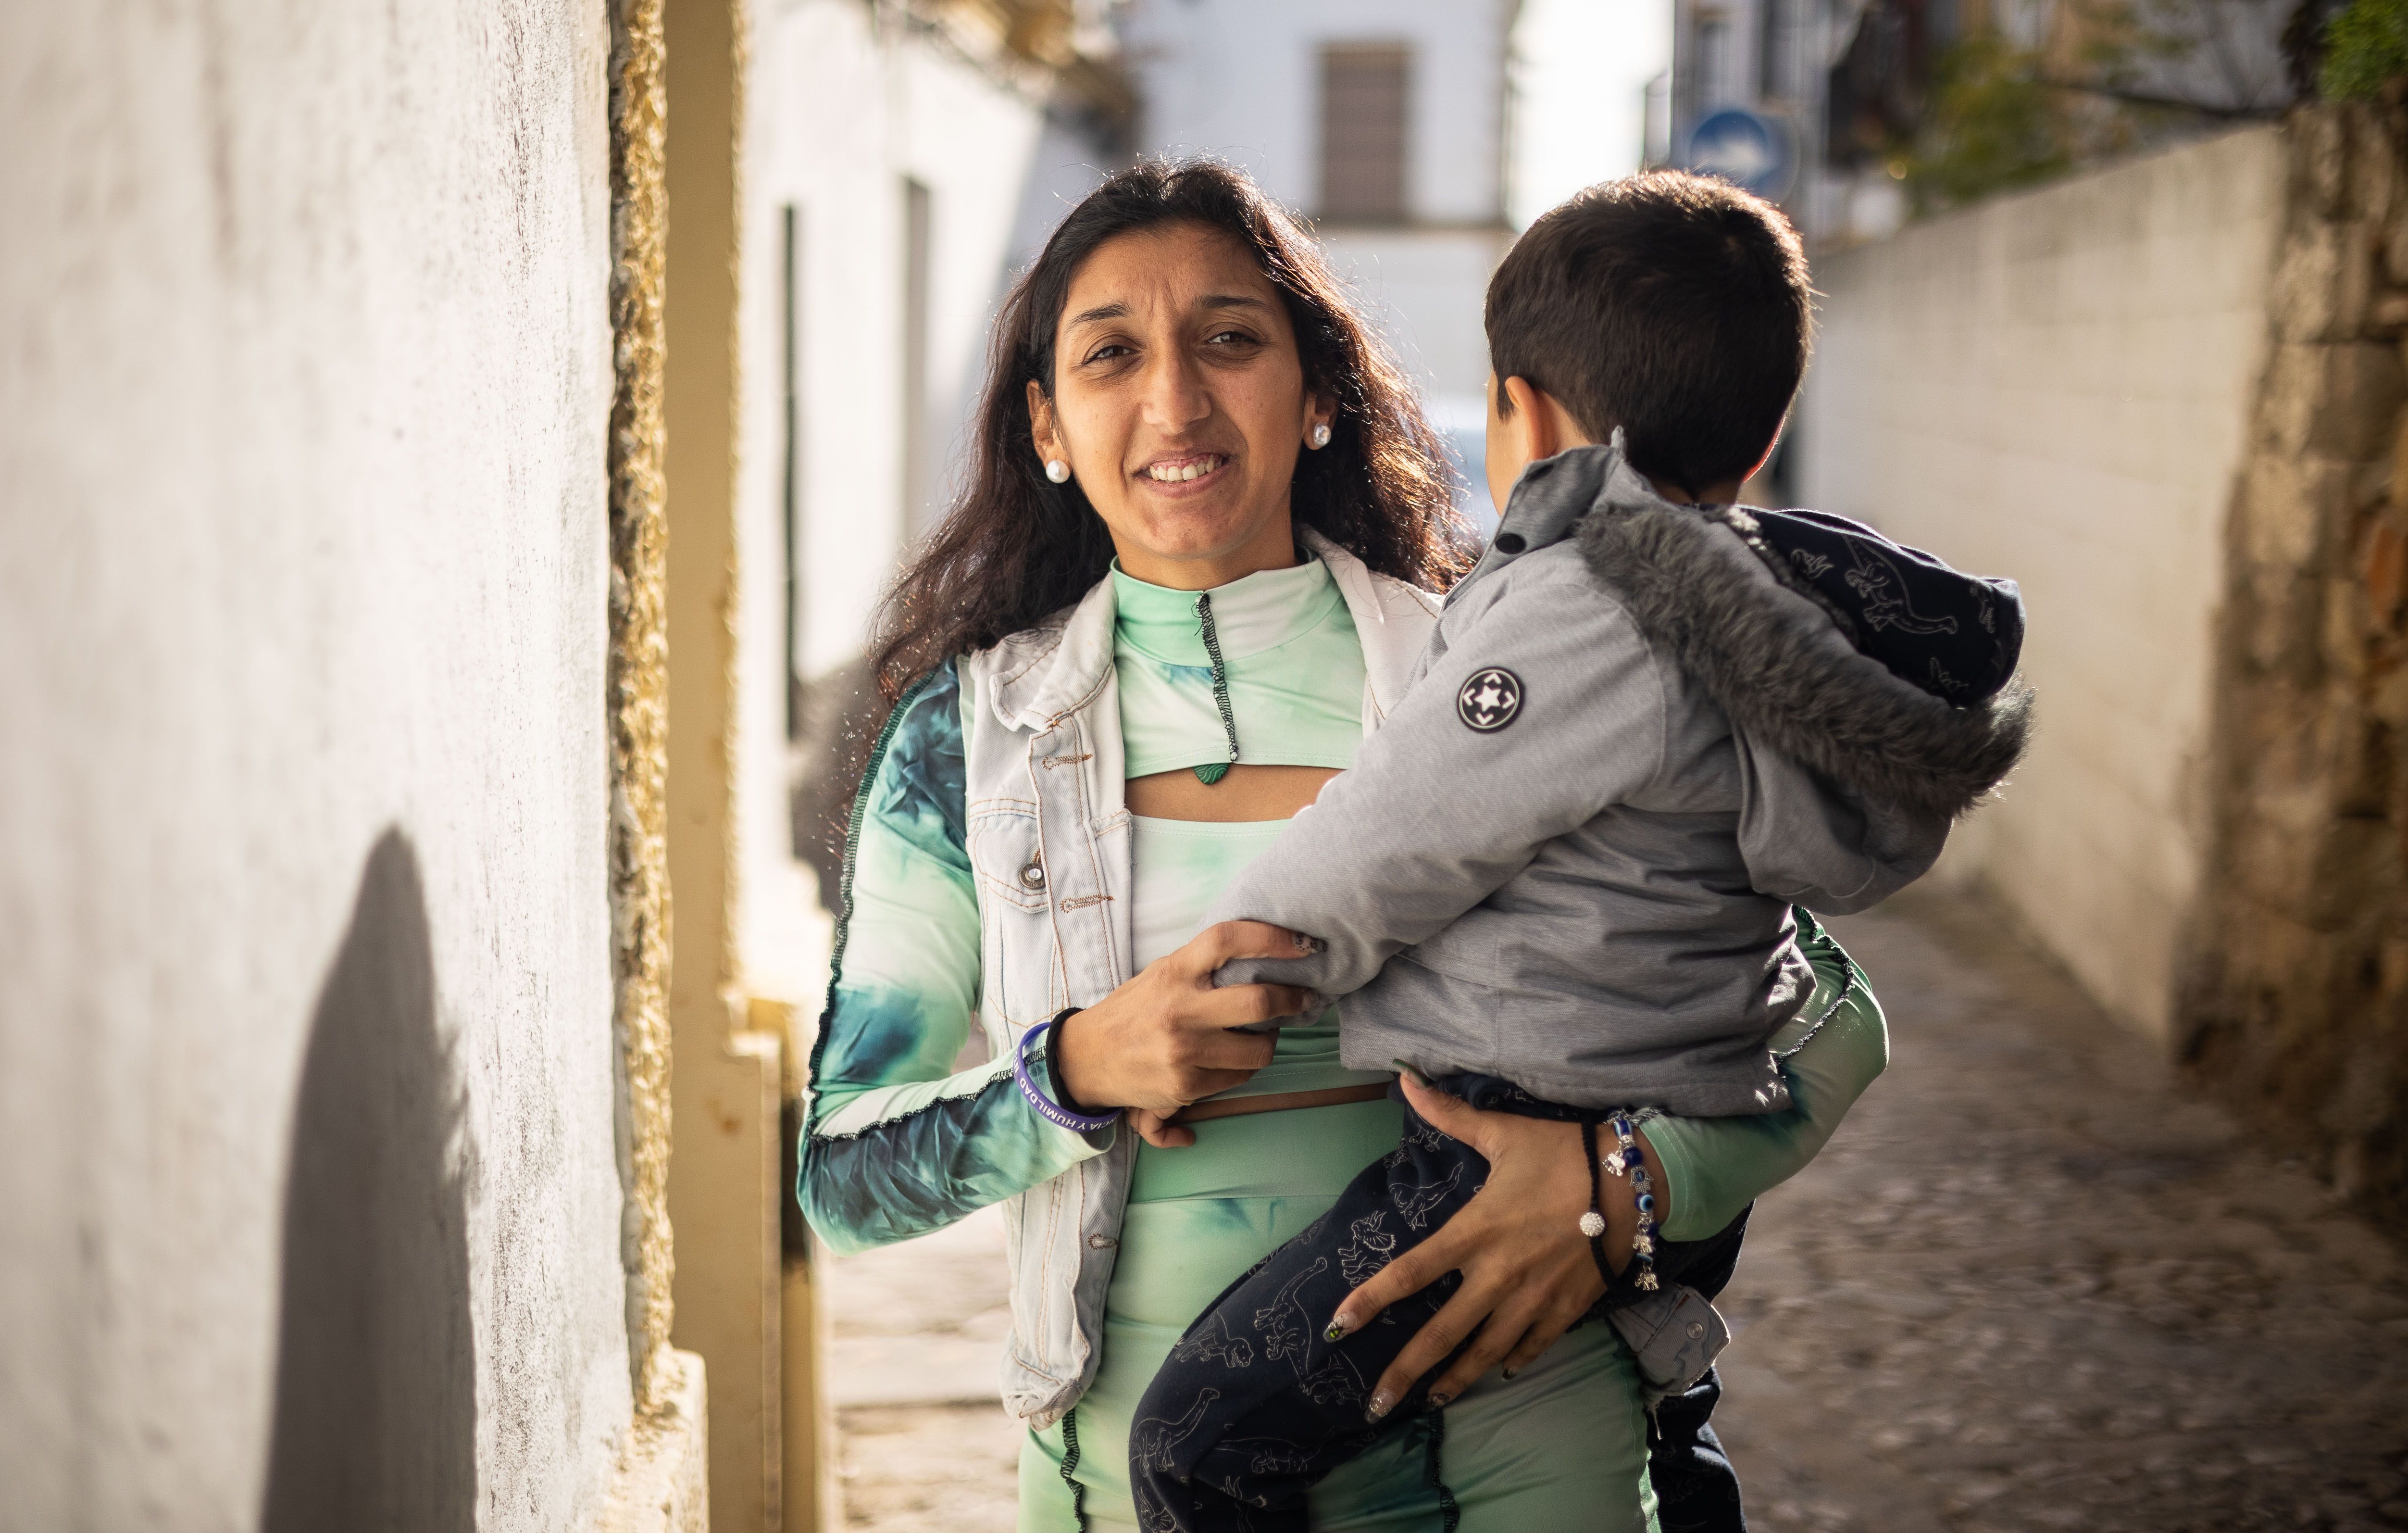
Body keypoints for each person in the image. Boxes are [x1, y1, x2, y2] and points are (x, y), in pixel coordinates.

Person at [795, 160, 1881, 1531]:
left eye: (1230, 339)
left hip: (1531, 1465)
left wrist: (1624, 1186)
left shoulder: (1495, 669)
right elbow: (842, 1180)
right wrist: (1071, 1073)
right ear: (1048, 425)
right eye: (1112, 354)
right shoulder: (970, 740)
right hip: (1122, 1491)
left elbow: (1827, 1015)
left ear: (1318, 395)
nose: (1176, 401)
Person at [1125, 171, 2035, 1532]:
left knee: (1197, 1449)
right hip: (1673, 1131)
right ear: (1766, 431)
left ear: (1526, 416)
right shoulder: (1760, 623)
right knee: (1655, 1429)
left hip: (1505, 1132)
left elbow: (1384, 846)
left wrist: (1204, 993)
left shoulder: (1584, 612)